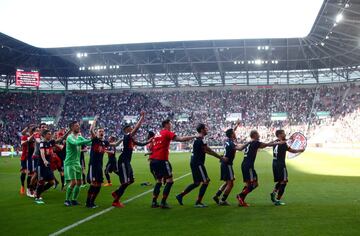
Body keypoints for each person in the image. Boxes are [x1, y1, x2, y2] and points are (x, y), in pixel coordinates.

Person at [149, 119, 197, 209]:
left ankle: (154, 202)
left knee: (159, 181)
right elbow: (181, 139)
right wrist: (194, 136)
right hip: (162, 160)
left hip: (153, 160)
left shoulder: (157, 134)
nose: (171, 126)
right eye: (170, 124)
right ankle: (163, 202)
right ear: (166, 124)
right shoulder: (167, 132)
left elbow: (151, 147)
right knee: (170, 181)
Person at [176, 123, 223, 208]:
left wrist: (219, 156)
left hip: (194, 162)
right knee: (206, 181)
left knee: (197, 183)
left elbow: (206, 150)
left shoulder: (199, 139)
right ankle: (198, 202)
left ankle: (180, 195)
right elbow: (208, 150)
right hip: (198, 163)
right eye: (205, 128)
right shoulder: (201, 139)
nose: (207, 129)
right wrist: (220, 157)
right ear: (202, 130)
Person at [112, 112, 151, 208]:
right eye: (130, 129)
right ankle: (116, 201)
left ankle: (117, 192)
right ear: (126, 130)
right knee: (125, 182)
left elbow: (141, 144)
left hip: (126, 161)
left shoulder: (131, 139)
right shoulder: (127, 136)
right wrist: (142, 117)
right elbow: (136, 128)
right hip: (123, 161)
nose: (132, 129)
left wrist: (149, 141)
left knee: (131, 180)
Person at [236, 130, 284, 207]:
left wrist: (274, 141)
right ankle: (240, 196)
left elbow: (265, 144)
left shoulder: (250, 142)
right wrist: (278, 143)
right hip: (249, 166)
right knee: (254, 184)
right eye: (258, 134)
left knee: (249, 184)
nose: (259, 135)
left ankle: (241, 201)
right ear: (254, 135)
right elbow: (266, 145)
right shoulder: (255, 142)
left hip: (245, 164)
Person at [86, 116, 122, 208]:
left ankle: (92, 202)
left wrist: (123, 139)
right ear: (97, 133)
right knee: (94, 184)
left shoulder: (104, 142)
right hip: (93, 166)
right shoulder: (95, 140)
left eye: (102, 131)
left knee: (99, 185)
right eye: (100, 131)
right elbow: (91, 130)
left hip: (99, 166)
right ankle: (88, 202)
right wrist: (94, 120)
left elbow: (116, 144)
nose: (101, 133)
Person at [213, 128, 247, 206]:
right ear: (232, 134)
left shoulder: (228, 141)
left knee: (227, 182)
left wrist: (236, 126)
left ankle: (217, 195)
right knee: (231, 183)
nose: (235, 134)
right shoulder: (231, 143)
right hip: (227, 164)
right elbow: (240, 148)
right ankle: (223, 200)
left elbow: (231, 133)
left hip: (224, 164)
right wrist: (249, 142)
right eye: (234, 133)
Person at [270, 130, 304, 206]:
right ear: (279, 134)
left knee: (280, 180)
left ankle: (274, 192)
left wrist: (290, 139)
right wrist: (300, 150)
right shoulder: (283, 144)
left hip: (274, 163)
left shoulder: (275, 142)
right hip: (281, 164)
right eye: (283, 133)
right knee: (284, 181)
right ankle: (277, 200)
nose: (285, 134)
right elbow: (291, 150)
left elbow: (285, 140)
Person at [64, 121, 93, 207]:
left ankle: (74, 200)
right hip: (70, 162)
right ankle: (67, 200)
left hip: (77, 162)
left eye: (78, 126)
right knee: (73, 182)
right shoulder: (69, 137)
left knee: (79, 183)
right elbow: (76, 143)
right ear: (72, 128)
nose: (78, 127)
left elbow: (88, 142)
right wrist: (86, 141)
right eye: (76, 126)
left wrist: (95, 140)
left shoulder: (79, 136)